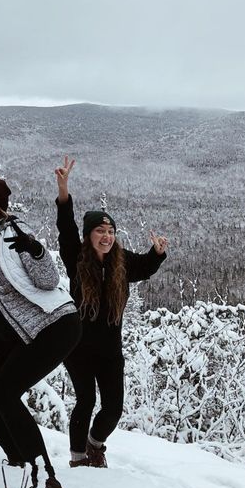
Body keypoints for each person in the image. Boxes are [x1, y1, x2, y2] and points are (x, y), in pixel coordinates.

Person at [0, 177, 79, 488]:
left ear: (1, 211)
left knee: (4, 392)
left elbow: (49, 279)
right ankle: (19, 462)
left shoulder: (11, 234)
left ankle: (45, 479)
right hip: (21, 337)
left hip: (55, 325)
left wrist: (38, 251)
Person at [53, 156, 169, 468]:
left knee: (114, 407)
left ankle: (95, 444)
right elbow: (66, 227)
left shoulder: (121, 261)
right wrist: (64, 191)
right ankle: (78, 460)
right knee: (86, 401)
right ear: (89, 235)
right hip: (76, 346)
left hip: (109, 349)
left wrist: (157, 253)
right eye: (100, 231)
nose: (106, 236)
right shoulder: (76, 258)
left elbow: (144, 267)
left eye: (111, 231)